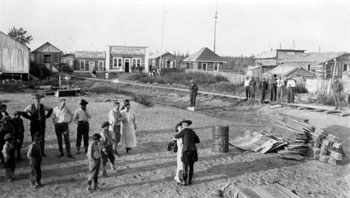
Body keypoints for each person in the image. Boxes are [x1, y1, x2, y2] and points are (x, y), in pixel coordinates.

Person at [174, 120, 200, 186]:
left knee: (185, 167)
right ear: (188, 125)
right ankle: (189, 181)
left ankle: (184, 181)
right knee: (191, 167)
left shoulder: (184, 131)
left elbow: (176, 136)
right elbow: (197, 140)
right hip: (193, 150)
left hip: (186, 150)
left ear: (183, 126)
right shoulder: (192, 131)